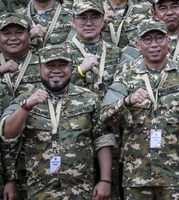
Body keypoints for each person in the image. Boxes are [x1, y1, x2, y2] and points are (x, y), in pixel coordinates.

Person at [101, 19, 179, 198]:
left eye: (159, 38)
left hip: (176, 175)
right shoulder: (125, 75)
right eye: (147, 39)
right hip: (137, 175)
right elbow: (106, 117)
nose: (154, 45)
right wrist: (127, 101)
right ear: (138, 44)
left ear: (168, 42)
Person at [0, 44, 116, 199]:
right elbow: (8, 133)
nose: (56, 70)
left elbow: (102, 139)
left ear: (71, 67)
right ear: (39, 69)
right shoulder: (25, 99)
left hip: (80, 190)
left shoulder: (89, 99)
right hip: (40, 191)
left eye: (62, 65)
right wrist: (27, 106)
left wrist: (105, 180)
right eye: (50, 65)